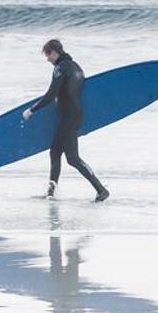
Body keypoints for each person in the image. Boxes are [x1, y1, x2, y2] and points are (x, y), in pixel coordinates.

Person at [22, 38, 109, 201]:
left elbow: (50, 95)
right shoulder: (77, 68)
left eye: (48, 55)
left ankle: (101, 189)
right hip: (75, 116)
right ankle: (50, 193)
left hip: (67, 117)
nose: (47, 59)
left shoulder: (60, 68)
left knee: (73, 158)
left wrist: (32, 110)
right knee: (55, 152)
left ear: (54, 52)